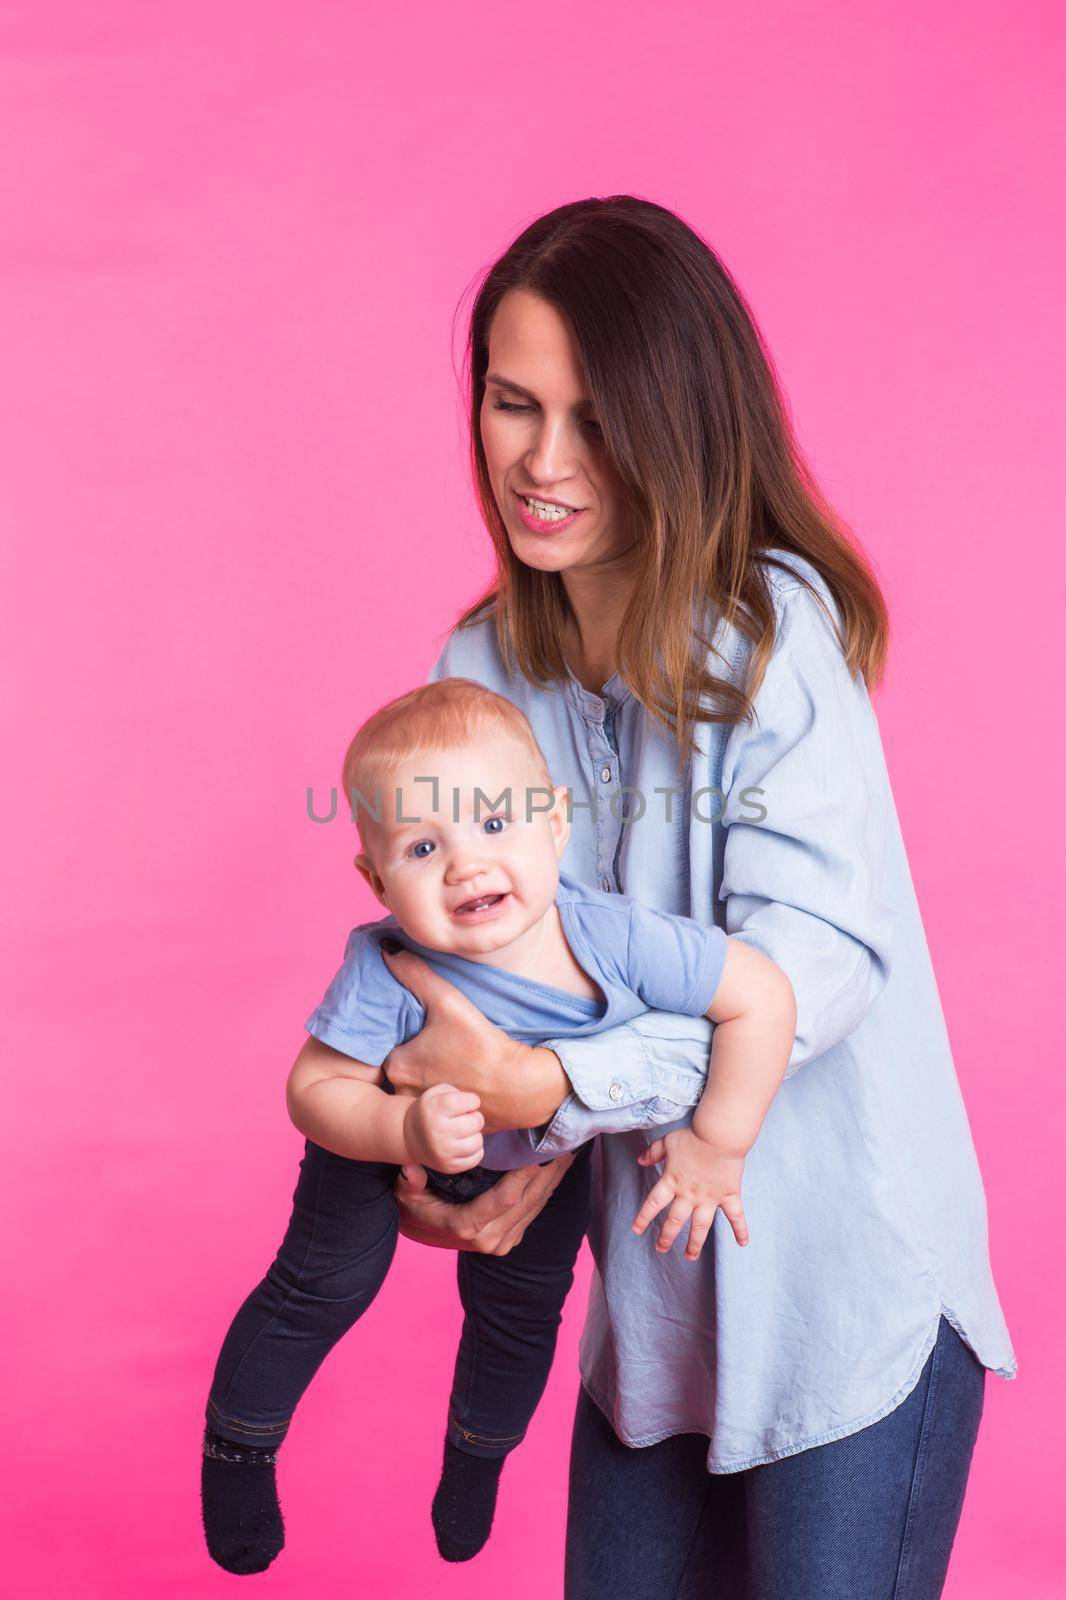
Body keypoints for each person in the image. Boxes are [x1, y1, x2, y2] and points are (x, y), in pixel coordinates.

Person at [370, 196, 1018, 1599]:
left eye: (595, 421)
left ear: (675, 424)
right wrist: (483, 1150)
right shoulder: (479, 668)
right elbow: (500, 974)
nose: (541, 462)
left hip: (844, 1308)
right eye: (510, 402)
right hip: (655, 1328)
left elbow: (812, 971)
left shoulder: (767, 632)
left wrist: (551, 1086)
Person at [199, 676, 796, 1574]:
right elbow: (315, 1089)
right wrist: (400, 1131)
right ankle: (239, 1445)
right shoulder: (387, 963)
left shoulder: (615, 938)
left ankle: (476, 1459)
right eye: (422, 845)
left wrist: (719, 1142)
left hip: (535, 1151)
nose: (466, 866)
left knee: (521, 1312)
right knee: (327, 1281)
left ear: (557, 822)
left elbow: (762, 995)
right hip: (378, 1144)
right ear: (375, 879)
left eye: (493, 824)